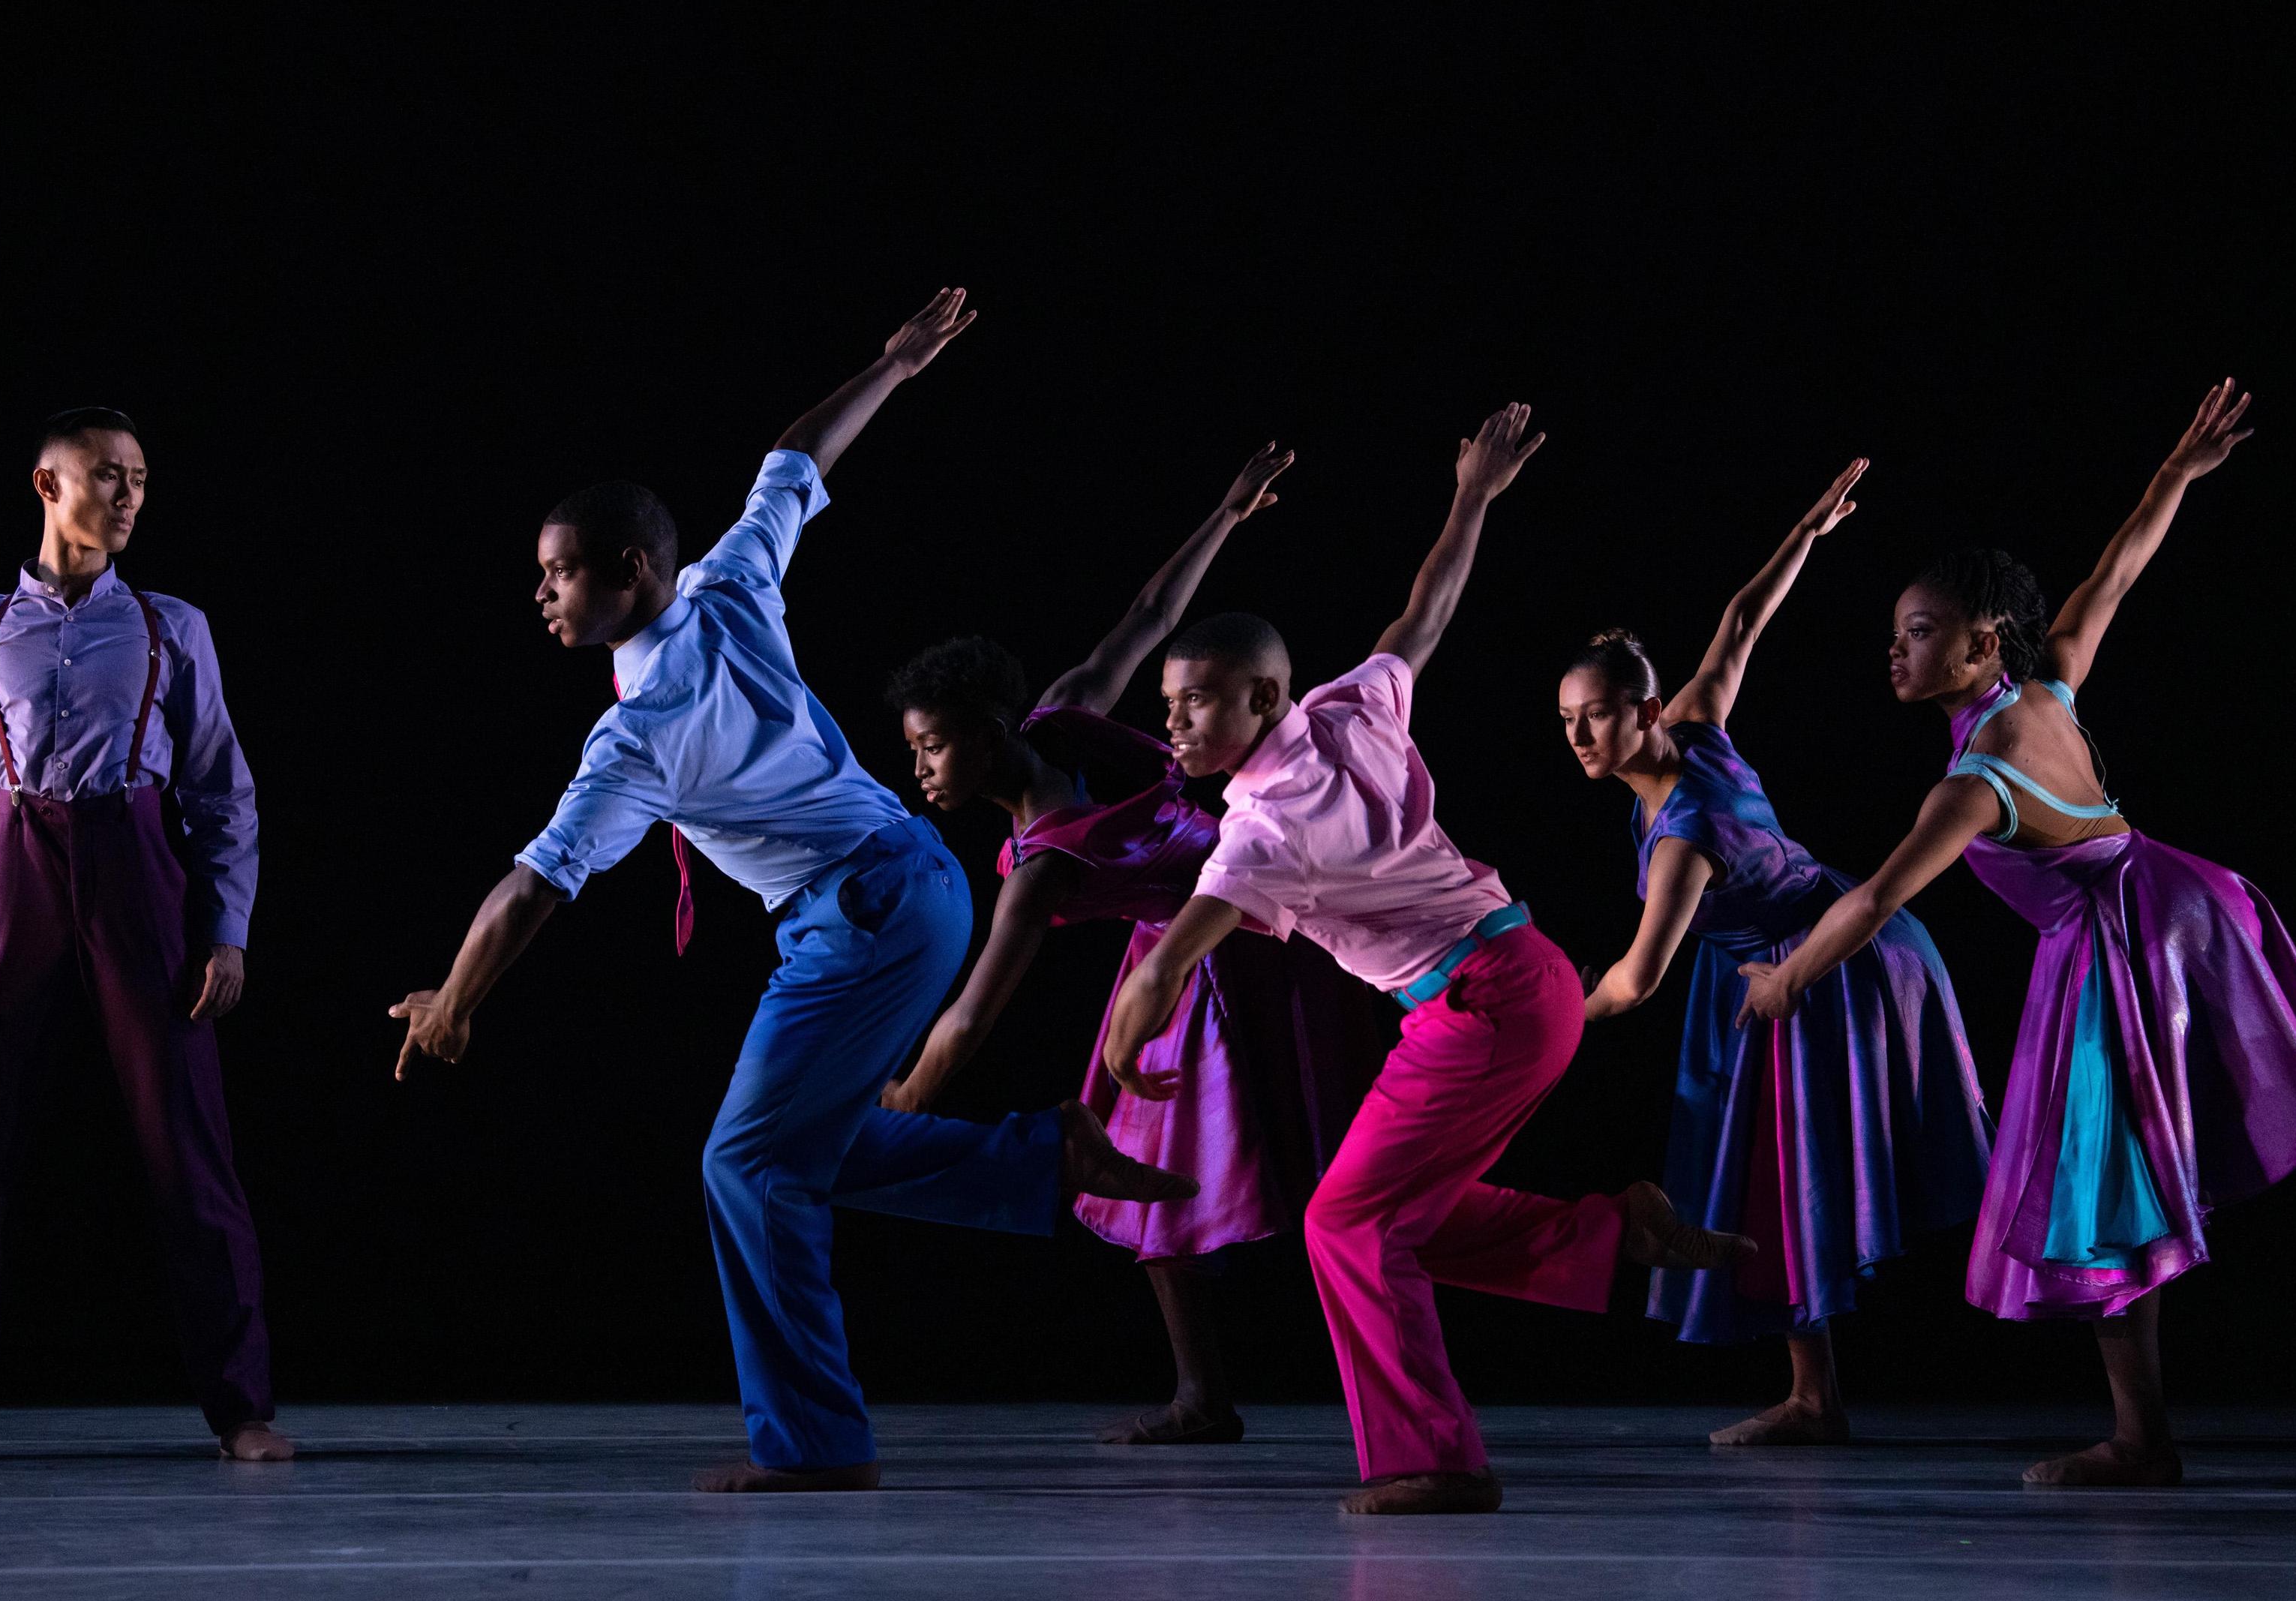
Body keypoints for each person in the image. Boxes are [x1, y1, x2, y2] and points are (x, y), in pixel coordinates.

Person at [389, 292, 1190, 1493]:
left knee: (745, 1168)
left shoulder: (640, 732)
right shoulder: (727, 582)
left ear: (630, 569)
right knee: (800, 1149)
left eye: (561, 575)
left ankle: (816, 1445)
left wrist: (455, 1002)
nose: (544, 595)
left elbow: (533, 887)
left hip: (862, 909)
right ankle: (1042, 1159)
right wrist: (893, 365)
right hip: (915, 888)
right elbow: (795, 459)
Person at [1736, 381, 2296, 1486]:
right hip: (2193, 901)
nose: (1897, 653)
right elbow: (2117, 571)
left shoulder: (1972, 783)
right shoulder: (2048, 686)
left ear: (1980, 643)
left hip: (2118, 946)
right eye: (1895, 635)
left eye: (1920, 635)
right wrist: (2175, 474)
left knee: (2102, 1193)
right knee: (2141, 1159)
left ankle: (2141, 1438)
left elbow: (1873, 903)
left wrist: (1785, 982)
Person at [1088, 403, 1749, 1515]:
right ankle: (1612, 1230)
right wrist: (1475, 494)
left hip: (1485, 1004)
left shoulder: (1263, 831)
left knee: (1344, 1224)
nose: (1179, 731)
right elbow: (1427, 607)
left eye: (1198, 705)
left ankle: (1434, 1459)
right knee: (1406, 1217)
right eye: (1169, 709)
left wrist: (1111, 1076)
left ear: (1262, 698)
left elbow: (1162, 973)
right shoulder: (1353, 707)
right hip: (1519, 982)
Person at [884, 443, 1383, 1445]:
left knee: (1295, 1168)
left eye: (932, 748)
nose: (922, 773)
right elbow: (1149, 619)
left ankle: (1302, 1387)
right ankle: (1207, 1393)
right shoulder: (1066, 720)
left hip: (1224, 954)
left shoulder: (1043, 865)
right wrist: (1228, 516)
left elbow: (974, 1013)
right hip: (1215, 942)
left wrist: (895, 1107)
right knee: (1159, 1167)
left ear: (986, 731)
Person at [1559, 460, 1992, 1446]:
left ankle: (2105, 1237)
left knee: (1842, 1167)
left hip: (1826, 968)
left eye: (1598, 714)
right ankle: (1814, 1396)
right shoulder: (1698, 722)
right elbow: (1744, 618)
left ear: (1644, 705)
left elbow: (1633, 981)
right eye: (1567, 721)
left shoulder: (1683, 833)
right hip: (1785, 964)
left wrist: (1545, 1023)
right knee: (1778, 1175)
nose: (1581, 736)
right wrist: (1805, 530)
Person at [0, 410, 284, 1465]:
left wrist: (226, 930)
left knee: (190, 1146)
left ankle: (242, 1407)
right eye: (107, 476)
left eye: (142, 481)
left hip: (138, 860)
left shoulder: (171, 627)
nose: (128, 496)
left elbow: (220, 791)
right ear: (46, 485)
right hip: (16, 861)